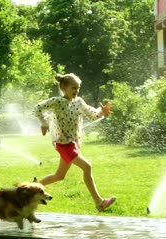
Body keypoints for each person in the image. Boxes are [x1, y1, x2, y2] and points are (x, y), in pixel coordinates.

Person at [34, 73, 116, 212]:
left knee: (59, 176)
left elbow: (92, 114)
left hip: (72, 143)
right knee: (87, 167)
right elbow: (37, 107)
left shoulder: (78, 102)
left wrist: (102, 111)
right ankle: (99, 202)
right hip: (63, 145)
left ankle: (31, 188)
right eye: (73, 87)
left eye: (78, 88)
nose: (76, 91)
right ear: (64, 87)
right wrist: (43, 122)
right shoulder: (57, 102)